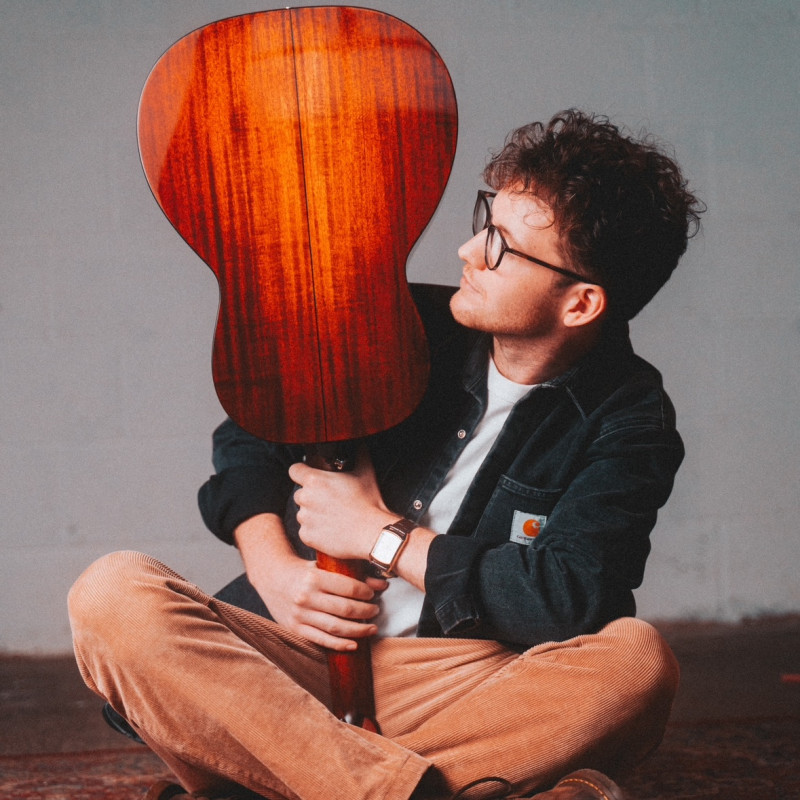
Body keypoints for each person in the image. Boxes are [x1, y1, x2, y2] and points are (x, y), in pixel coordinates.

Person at [69, 109, 704, 800]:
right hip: (291, 663)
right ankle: (404, 788)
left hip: (459, 681)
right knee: (111, 595)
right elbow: (250, 434)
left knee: (637, 665)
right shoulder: (399, 322)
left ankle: (299, 778)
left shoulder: (631, 419)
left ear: (580, 304)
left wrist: (380, 534)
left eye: (502, 246)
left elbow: (566, 598)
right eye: (485, 220)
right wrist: (273, 568)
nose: (468, 250)